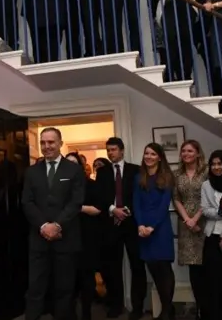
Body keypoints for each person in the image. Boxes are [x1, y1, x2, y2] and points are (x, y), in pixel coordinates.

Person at [22, 127, 85, 320]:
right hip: (38, 240)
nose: (46, 146)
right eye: (43, 142)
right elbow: (27, 202)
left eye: (51, 142)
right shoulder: (32, 171)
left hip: (65, 239)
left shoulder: (74, 170)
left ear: (60, 143)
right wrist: (43, 226)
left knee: (64, 289)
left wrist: (57, 225)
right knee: (35, 288)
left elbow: (76, 202)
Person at [97, 137, 146, 320]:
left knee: (137, 267)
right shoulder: (102, 172)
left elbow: (141, 195)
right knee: (112, 267)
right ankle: (116, 305)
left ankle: (138, 307)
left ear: (122, 150)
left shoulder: (136, 170)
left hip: (133, 224)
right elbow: (100, 196)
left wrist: (128, 210)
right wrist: (112, 209)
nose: (111, 153)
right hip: (111, 226)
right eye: (108, 150)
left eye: (114, 149)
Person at [133, 143, 175, 320]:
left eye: (152, 154)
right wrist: (140, 225)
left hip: (160, 228)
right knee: (153, 268)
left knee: (164, 268)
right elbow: (136, 204)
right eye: (146, 153)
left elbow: (164, 205)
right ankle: (168, 309)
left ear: (159, 157)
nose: (148, 156)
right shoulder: (138, 177)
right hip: (143, 229)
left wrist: (152, 226)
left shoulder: (166, 177)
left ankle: (166, 310)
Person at [66, 152, 108, 320]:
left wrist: (76, 208)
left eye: (74, 163)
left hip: (87, 235)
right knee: (67, 277)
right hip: (65, 235)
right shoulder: (59, 185)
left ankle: (86, 313)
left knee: (86, 276)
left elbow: (98, 209)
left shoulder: (91, 184)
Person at [172, 140, 207, 319]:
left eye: (190, 151)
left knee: (207, 265)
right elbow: (176, 198)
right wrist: (187, 219)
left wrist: (196, 218)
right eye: (183, 151)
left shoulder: (207, 172)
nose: (186, 154)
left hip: (205, 221)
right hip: (186, 224)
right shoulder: (177, 174)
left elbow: (211, 197)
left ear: (198, 153)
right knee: (194, 269)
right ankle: (199, 307)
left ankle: (209, 308)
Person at [201, 150, 222, 320]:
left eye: (220, 164)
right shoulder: (206, 185)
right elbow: (205, 210)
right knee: (214, 281)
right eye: (213, 164)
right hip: (212, 236)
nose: (216, 167)